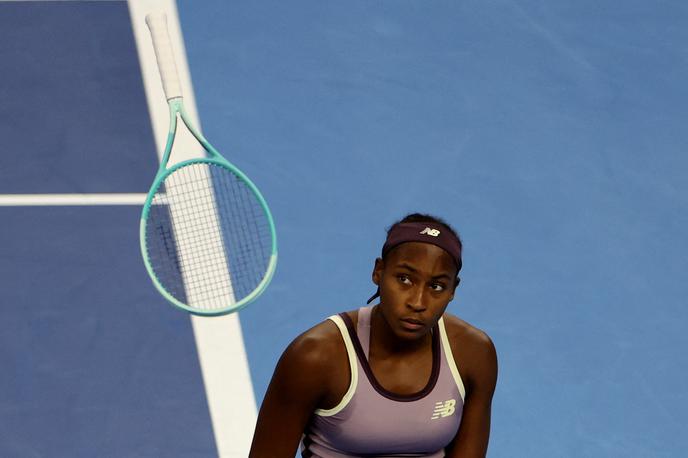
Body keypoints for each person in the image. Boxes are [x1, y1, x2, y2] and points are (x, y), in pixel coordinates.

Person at [249, 213, 498, 457]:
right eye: (404, 279)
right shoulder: (315, 358)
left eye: (436, 286)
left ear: (453, 289)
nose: (418, 302)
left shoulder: (473, 354)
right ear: (378, 272)